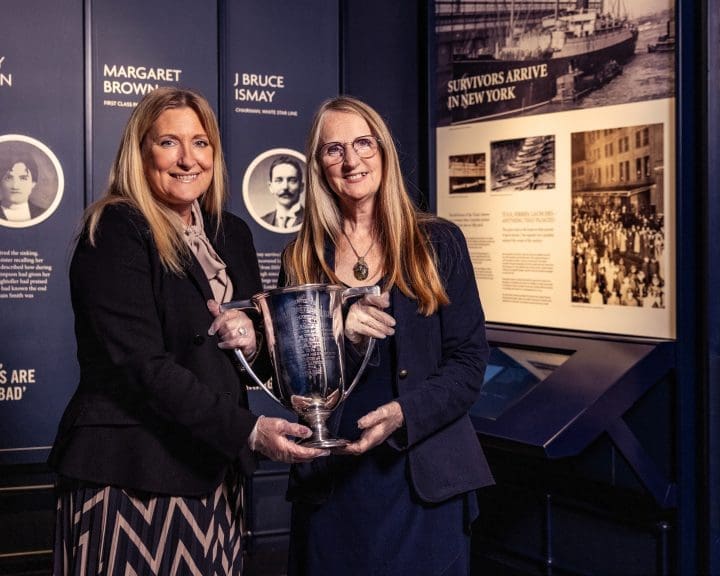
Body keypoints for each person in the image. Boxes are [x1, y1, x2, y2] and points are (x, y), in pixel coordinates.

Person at [48, 87, 327, 576]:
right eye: (168, 143)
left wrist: (256, 338)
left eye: (200, 143)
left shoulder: (231, 232)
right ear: (140, 152)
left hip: (213, 473)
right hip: (131, 476)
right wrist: (250, 431)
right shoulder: (116, 229)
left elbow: (255, 363)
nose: (186, 160)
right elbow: (140, 367)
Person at [280, 95, 494, 575]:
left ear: (383, 151)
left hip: (424, 482)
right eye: (334, 150)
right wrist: (338, 331)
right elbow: (291, 384)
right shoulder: (300, 258)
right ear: (318, 166)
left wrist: (403, 414)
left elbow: (468, 363)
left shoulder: (438, 243)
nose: (351, 160)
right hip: (335, 485)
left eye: (363, 143)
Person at [261, 154, 304, 229]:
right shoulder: (263, 221)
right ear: (270, 187)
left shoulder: (312, 219)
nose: (285, 187)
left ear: (301, 187)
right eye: (279, 180)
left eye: (292, 180)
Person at [0, 155, 44, 221]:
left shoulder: (42, 214)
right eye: (9, 178)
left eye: (23, 178)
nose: (15, 185)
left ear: (33, 183)